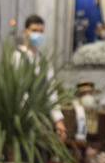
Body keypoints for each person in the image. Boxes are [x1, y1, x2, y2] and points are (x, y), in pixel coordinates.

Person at [15, 14, 67, 142]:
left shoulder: (45, 60)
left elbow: (51, 93)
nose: (38, 35)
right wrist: (33, 120)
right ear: (25, 32)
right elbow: (19, 92)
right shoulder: (17, 57)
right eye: (34, 31)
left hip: (44, 119)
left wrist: (58, 121)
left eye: (41, 32)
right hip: (24, 120)